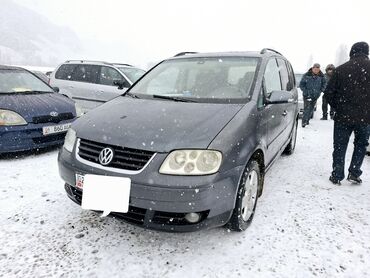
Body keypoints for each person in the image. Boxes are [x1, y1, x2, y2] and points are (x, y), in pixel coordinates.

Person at [324, 41, 370, 185]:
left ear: (352, 52)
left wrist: (339, 107)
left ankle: (337, 174)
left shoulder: (341, 70)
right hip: (365, 117)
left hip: (343, 116)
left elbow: (328, 93)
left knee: (340, 145)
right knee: (361, 145)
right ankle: (354, 172)